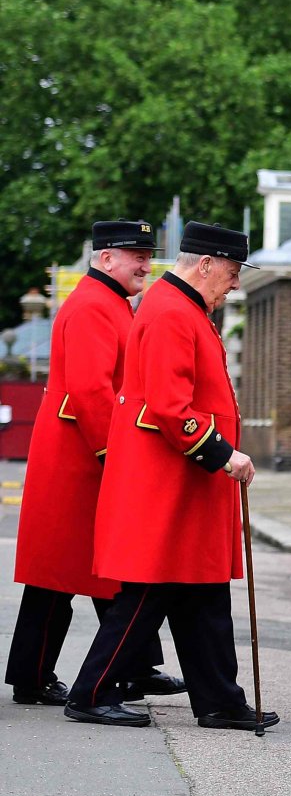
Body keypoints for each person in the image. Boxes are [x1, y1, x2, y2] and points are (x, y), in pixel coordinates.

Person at [65, 222, 275, 731]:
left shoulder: (183, 308)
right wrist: (225, 455)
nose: (235, 284)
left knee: (201, 590)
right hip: (167, 478)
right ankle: (91, 693)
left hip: (184, 480)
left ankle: (220, 700)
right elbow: (168, 406)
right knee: (151, 589)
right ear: (205, 264)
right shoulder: (170, 312)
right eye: (230, 271)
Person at [8, 221, 183, 707]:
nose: (146, 265)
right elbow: (91, 390)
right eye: (137, 256)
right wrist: (118, 454)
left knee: (99, 570)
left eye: (149, 255)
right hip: (80, 460)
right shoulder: (93, 305)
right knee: (61, 576)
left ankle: (130, 666)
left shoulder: (104, 302)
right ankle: (37, 677)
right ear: (106, 259)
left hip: (80, 455)